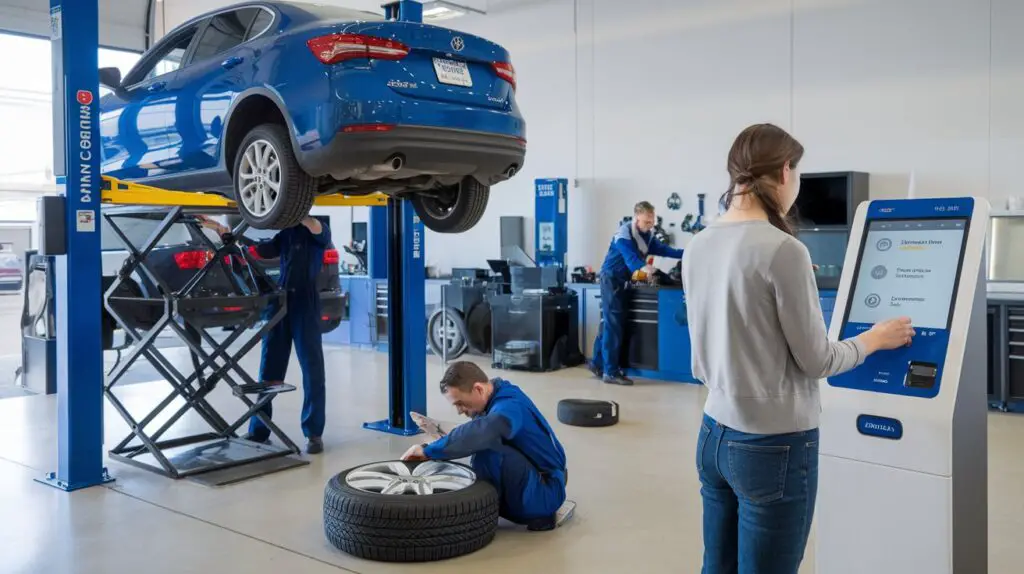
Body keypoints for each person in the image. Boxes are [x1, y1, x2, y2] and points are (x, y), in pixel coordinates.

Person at [680, 123, 915, 574]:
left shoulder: (699, 245)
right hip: (773, 445)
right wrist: (876, 338)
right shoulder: (783, 250)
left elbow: (703, 360)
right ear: (786, 171)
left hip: (713, 435)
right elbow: (819, 360)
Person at [200, 215, 332, 455]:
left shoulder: (318, 230)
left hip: (305, 304)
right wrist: (224, 232)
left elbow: (313, 225)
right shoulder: (285, 235)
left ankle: (314, 434)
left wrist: (291, 207)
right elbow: (255, 251)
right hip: (280, 302)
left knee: (312, 370)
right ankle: (259, 429)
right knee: (269, 369)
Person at [400, 361, 572, 531]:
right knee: (475, 440)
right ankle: (485, 506)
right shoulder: (495, 397)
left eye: (460, 403)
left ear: (479, 389)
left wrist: (428, 450)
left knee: (486, 445)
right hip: (536, 479)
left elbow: (485, 430)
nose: (459, 411)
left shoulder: (510, 406)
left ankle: (489, 510)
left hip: (546, 491)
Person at [590, 201, 683, 385]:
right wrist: (647, 270)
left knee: (612, 322)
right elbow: (631, 260)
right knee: (613, 324)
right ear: (636, 218)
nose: (650, 225)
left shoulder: (647, 237)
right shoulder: (623, 235)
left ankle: (597, 363)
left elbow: (666, 250)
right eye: (646, 222)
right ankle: (610, 372)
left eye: (652, 221)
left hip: (626, 280)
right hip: (611, 280)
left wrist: (689, 253)